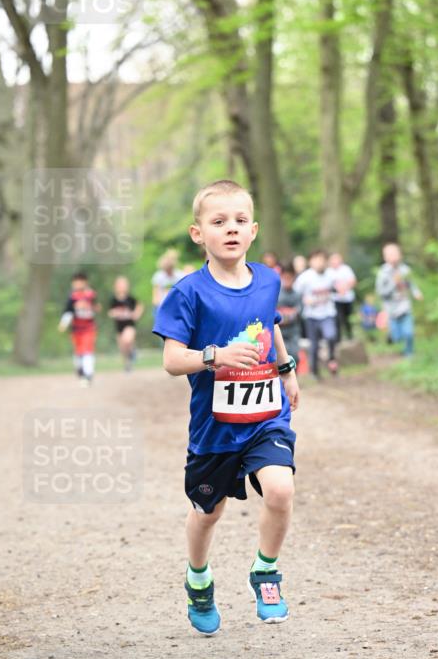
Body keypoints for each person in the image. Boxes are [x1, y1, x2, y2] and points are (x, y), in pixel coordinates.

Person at [153, 179, 299, 635]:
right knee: (208, 512)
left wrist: (286, 367)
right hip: (215, 427)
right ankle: (198, 578)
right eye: (219, 222)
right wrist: (214, 356)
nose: (230, 229)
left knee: (280, 490)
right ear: (199, 234)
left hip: (264, 413)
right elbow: (173, 361)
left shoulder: (268, 280)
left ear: (253, 230)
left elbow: (268, 323)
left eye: (239, 221)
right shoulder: (188, 292)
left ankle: (266, 572)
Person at [294, 248, 338, 377]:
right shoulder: (305, 277)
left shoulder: (331, 274)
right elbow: (295, 293)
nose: (319, 263)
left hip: (328, 313)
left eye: (322, 260)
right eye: (316, 260)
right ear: (311, 262)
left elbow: (337, 288)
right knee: (314, 345)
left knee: (331, 335)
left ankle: (331, 358)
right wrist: (303, 300)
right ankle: (314, 370)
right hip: (311, 316)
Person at [375, 243, 423, 357]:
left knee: (409, 333)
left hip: (405, 306)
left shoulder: (405, 270)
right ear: (385, 257)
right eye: (390, 254)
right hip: (391, 309)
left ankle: (409, 353)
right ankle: (392, 337)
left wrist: (417, 293)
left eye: (395, 253)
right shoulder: (383, 273)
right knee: (396, 336)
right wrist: (393, 283)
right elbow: (381, 292)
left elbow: (412, 284)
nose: (393, 257)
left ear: (400, 255)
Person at [58, 272, 100, 386]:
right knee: (79, 351)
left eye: (80, 281)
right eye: (76, 282)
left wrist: (89, 306)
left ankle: (88, 373)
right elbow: (67, 312)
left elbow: (97, 308)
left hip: (89, 327)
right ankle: (80, 370)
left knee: (88, 350)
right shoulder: (72, 297)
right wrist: (63, 323)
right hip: (76, 329)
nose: (78, 284)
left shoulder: (91, 295)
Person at [108, 276, 144, 372]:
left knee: (127, 340)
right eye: (120, 285)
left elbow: (139, 306)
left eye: (124, 285)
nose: (122, 287)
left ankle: (132, 351)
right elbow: (110, 312)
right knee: (123, 348)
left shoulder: (130, 299)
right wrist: (115, 313)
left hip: (129, 325)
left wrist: (136, 314)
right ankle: (128, 365)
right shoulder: (113, 300)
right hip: (119, 327)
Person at [327, 252, 357, 341]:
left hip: (347, 299)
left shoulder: (346, 269)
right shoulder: (329, 272)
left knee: (349, 319)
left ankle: (350, 336)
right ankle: (338, 339)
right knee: (338, 319)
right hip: (336, 300)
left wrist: (345, 287)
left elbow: (353, 281)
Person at [277, 262, 302, 361]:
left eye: (290, 278)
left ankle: (294, 375)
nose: (288, 281)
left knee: (295, 355)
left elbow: (298, 311)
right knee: (282, 356)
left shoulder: (297, 295)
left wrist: (288, 317)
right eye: (285, 278)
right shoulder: (276, 294)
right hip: (279, 331)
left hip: (293, 331)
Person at [152, 249, 184, 316]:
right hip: (162, 306)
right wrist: (157, 306)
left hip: (176, 306)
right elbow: (156, 294)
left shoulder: (180, 275)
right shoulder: (158, 276)